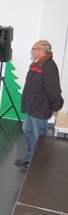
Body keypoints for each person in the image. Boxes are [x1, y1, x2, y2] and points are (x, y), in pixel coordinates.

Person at [15, 40, 64, 172]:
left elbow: (53, 90)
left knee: (39, 136)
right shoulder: (38, 64)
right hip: (32, 106)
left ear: (42, 51)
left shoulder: (49, 67)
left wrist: (56, 105)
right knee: (28, 130)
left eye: (34, 48)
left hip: (40, 108)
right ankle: (30, 157)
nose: (32, 51)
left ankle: (37, 163)